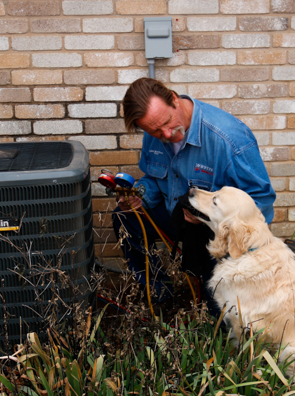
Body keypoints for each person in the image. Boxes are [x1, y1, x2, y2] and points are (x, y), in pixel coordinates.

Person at [111, 77, 275, 305]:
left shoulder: (229, 139)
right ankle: (160, 296)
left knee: (218, 314)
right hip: (175, 218)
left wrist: (212, 218)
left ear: (174, 100)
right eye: (156, 131)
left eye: (167, 122)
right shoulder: (154, 131)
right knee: (124, 217)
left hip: (216, 233)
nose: (166, 135)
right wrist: (139, 195)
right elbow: (154, 180)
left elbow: (262, 200)